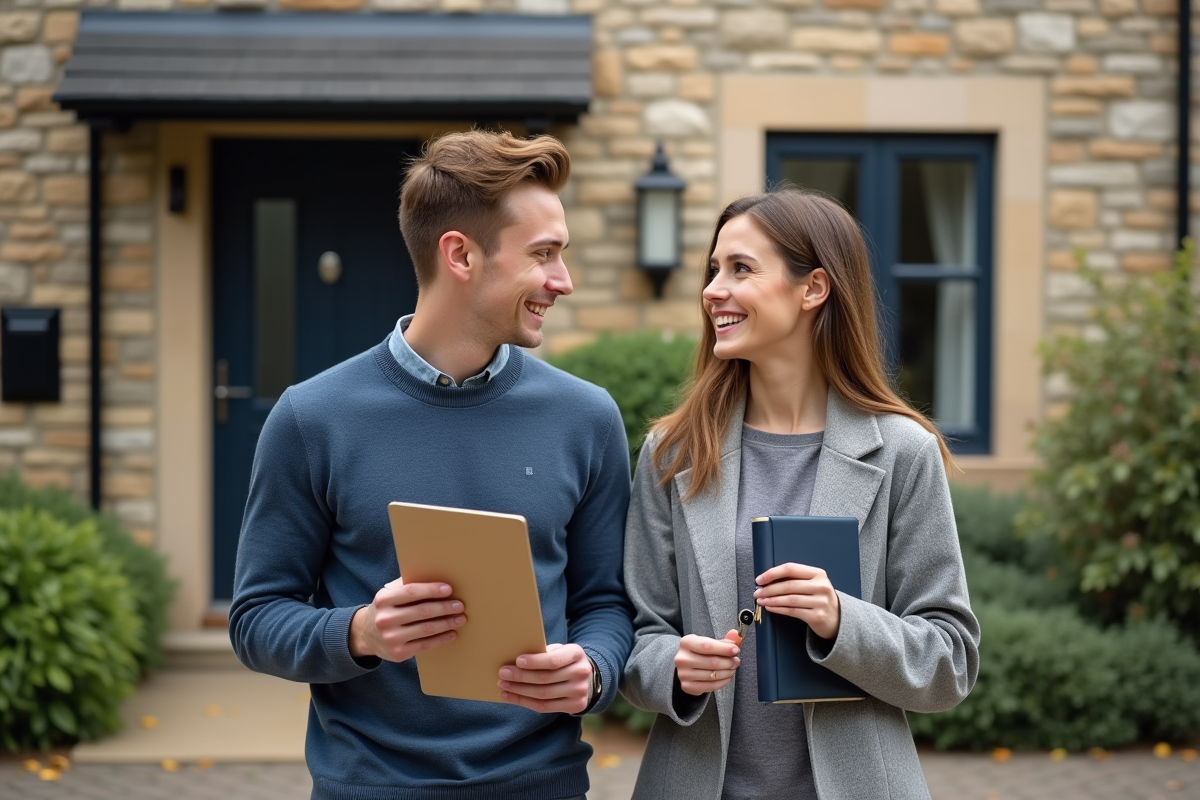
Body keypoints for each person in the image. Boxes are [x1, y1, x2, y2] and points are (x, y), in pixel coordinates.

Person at [229, 130, 634, 800]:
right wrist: (359, 631)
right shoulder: (312, 418)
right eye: (544, 254)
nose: (563, 281)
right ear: (461, 255)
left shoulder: (585, 418)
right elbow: (256, 619)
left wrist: (592, 669)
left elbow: (606, 602)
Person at [620, 189, 980, 800]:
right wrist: (674, 669)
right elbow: (635, 634)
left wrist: (842, 620)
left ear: (813, 289)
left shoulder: (902, 452)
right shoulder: (672, 452)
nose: (713, 289)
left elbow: (949, 661)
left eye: (740, 269)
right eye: (713, 270)